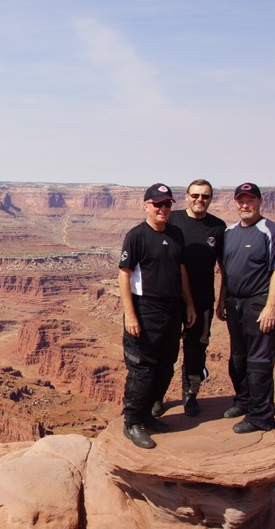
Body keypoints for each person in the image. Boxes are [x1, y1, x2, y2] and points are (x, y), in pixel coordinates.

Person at [118, 183, 196, 449]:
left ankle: (148, 415)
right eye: (157, 204)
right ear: (146, 206)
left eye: (167, 204)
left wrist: (189, 304)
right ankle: (132, 423)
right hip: (146, 309)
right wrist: (130, 315)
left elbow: (181, 270)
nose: (163, 209)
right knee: (142, 369)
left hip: (172, 310)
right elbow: (124, 276)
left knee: (166, 365)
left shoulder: (175, 234)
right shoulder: (136, 236)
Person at [216, 182, 275, 433]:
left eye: (250, 200)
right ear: (236, 203)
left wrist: (270, 307)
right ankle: (244, 401)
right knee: (238, 359)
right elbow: (225, 270)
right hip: (234, 302)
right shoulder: (230, 232)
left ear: (260, 202)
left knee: (259, 361)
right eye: (241, 200)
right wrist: (222, 300)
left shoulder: (270, 230)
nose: (245, 205)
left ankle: (261, 417)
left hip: (259, 301)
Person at [152, 179, 226, 418]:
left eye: (205, 196)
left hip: (203, 298)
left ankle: (190, 394)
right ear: (187, 196)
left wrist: (222, 299)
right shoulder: (172, 220)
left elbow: (224, 268)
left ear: (211, 199)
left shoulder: (218, 227)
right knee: (165, 349)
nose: (200, 200)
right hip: (172, 299)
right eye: (196, 195)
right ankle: (156, 396)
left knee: (197, 349)